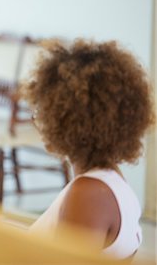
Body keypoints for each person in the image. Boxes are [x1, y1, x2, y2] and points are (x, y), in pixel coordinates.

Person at [24, 39, 155, 260]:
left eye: (41, 110)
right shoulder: (110, 179)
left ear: (65, 120)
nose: (36, 119)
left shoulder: (88, 194)